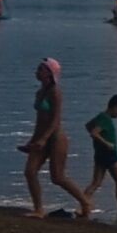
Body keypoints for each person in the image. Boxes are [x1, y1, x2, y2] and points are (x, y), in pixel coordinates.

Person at [21, 58, 93, 220]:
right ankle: (39, 209)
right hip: (41, 137)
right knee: (30, 172)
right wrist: (32, 141)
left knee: (57, 177)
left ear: (49, 73)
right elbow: (40, 121)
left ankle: (85, 202)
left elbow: (55, 120)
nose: (37, 72)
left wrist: (44, 139)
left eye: (41, 69)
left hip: (55, 137)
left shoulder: (55, 92)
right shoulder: (40, 93)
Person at [82, 94, 117, 220]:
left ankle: (82, 206)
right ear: (116, 107)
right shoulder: (105, 119)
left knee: (96, 182)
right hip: (109, 154)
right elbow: (94, 133)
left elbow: (88, 126)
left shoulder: (101, 117)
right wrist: (107, 143)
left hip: (99, 154)